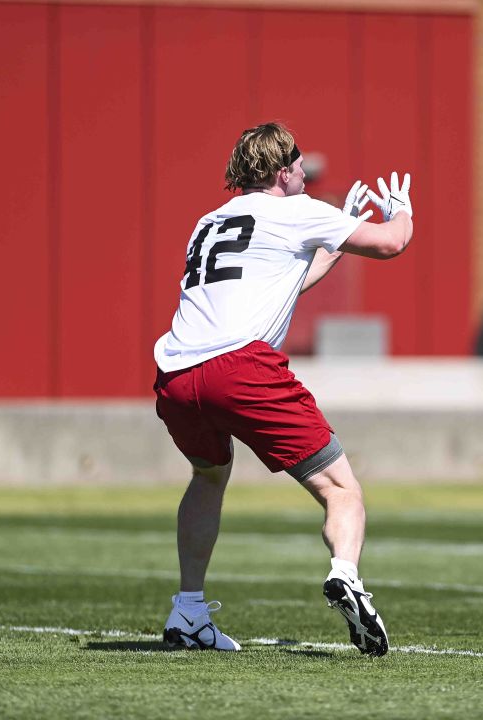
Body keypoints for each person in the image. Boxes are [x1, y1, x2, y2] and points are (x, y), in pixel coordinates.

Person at [152, 122, 413, 657]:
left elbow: (278, 281)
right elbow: (391, 244)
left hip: (177, 373)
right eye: (296, 163)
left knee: (208, 475)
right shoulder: (297, 211)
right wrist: (401, 209)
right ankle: (346, 575)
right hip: (241, 368)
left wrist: (333, 242)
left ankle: (188, 610)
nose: (303, 172)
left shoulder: (210, 221)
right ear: (280, 170)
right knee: (341, 491)